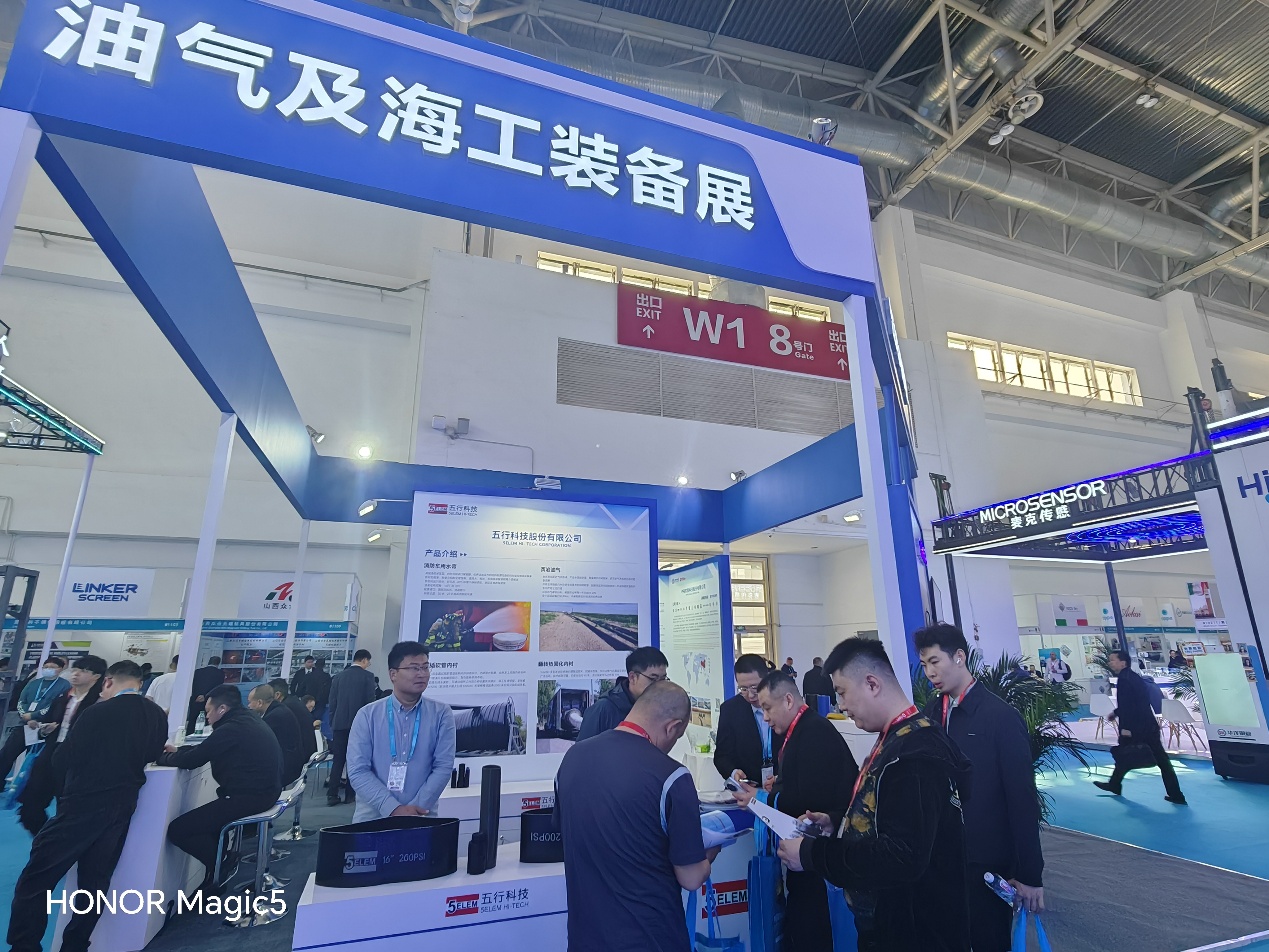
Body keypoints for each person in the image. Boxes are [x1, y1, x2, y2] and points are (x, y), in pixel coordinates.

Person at [778, 638, 972, 952]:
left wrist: (813, 854)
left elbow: (902, 856)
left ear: (872, 684)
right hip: (891, 923)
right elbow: (893, 818)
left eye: (842, 692)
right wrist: (838, 823)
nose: (841, 705)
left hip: (914, 931)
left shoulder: (916, 753)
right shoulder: (898, 739)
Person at [7, 660, 167, 952]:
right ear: (140, 683)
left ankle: (25, 945)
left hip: (83, 803)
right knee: (95, 882)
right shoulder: (156, 714)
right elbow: (153, 753)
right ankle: (76, 944)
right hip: (123, 804)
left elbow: (65, 758)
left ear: (108, 681)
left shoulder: (97, 712)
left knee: (38, 877)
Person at [556, 681, 720, 952]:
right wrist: (708, 854)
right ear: (672, 727)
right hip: (650, 938)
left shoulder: (573, 758)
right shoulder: (672, 776)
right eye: (677, 737)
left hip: (585, 937)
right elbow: (691, 878)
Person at [915, 624, 1044, 952]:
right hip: (942, 858)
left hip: (986, 863)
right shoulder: (932, 714)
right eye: (924, 665)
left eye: (935, 662)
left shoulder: (1000, 717)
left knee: (988, 941)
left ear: (959, 657)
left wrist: (1030, 873)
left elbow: (1022, 799)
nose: (929, 673)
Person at [735, 670, 858, 951]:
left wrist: (762, 798)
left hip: (819, 857)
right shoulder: (802, 729)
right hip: (808, 853)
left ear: (788, 700)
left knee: (811, 928)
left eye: (768, 708)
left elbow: (809, 799)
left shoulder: (814, 731)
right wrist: (779, 784)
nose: (765, 718)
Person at [159, 684, 284, 890]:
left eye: (208, 711)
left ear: (222, 709)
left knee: (178, 830)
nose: (206, 716)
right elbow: (207, 749)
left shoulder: (231, 728)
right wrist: (178, 752)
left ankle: (220, 865)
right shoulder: (245, 720)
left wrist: (161, 757)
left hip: (251, 797)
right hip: (264, 792)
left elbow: (193, 760)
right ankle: (216, 871)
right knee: (211, 825)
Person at [346, 642, 455, 822]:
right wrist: (393, 808)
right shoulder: (367, 715)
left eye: (425, 667)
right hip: (373, 818)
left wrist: (415, 809)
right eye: (414, 668)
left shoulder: (441, 714)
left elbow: (443, 766)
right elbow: (358, 771)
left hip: (422, 817)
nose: (421, 674)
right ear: (393, 674)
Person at [18, 655, 107, 835]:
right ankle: (44, 835)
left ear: (96, 676)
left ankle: (61, 840)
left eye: (83, 671)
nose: (76, 674)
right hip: (52, 751)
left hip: (78, 757)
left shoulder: (101, 704)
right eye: (74, 670)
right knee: (30, 803)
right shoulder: (62, 698)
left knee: (67, 804)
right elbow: (48, 722)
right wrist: (44, 729)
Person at [1094, 649, 1187, 804]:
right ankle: (1175, 794)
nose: (1110, 663)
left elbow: (1129, 706)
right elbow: (1135, 702)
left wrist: (1126, 727)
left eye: (1113, 660)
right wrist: (1116, 713)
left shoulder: (1125, 680)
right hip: (1148, 724)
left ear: (1123, 662)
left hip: (1137, 727)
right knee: (1159, 761)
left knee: (1128, 754)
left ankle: (1115, 784)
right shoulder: (1133, 677)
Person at [713, 654, 782, 790]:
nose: (750, 695)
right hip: (746, 788)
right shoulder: (730, 710)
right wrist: (733, 772)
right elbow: (721, 756)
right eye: (743, 689)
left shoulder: (782, 705)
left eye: (755, 688)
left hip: (781, 787)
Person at [0, 657, 70, 784]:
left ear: (60, 669)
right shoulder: (34, 683)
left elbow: (54, 705)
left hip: (44, 727)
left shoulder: (65, 686)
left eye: (52, 667)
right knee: (6, 754)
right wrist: (26, 717)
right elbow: (21, 701)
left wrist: (34, 716)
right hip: (25, 725)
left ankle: (25, 787)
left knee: (34, 761)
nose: (48, 669)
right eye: (46, 667)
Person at [576, 646, 669, 740]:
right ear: (632, 677)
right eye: (653, 679)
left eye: (663, 679)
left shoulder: (658, 708)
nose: (660, 686)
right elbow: (583, 748)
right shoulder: (602, 709)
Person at [326, 649, 377, 805]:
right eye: (368, 662)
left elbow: (332, 702)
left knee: (338, 760)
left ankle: (332, 795)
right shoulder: (368, 677)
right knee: (355, 761)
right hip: (359, 726)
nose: (368, 665)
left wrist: (333, 722)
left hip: (339, 725)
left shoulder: (338, 677)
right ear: (364, 660)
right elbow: (370, 704)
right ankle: (350, 795)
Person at [249, 683, 302, 785]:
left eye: (250, 702)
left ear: (260, 702)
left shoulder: (273, 717)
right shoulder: (279, 709)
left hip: (284, 769)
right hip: (291, 763)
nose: (249, 706)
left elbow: (257, 743)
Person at [270, 677, 318, 764]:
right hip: (307, 747)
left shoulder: (284, 708)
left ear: (277, 695)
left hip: (299, 754)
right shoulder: (293, 702)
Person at [187, 655, 225, 733]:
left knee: (192, 721)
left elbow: (192, 686)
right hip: (209, 701)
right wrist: (205, 696)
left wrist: (197, 696)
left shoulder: (197, 672)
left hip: (195, 700)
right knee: (207, 722)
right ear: (218, 663)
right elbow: (217, 688)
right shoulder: (220, 673)